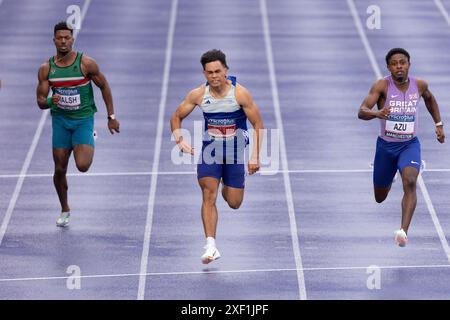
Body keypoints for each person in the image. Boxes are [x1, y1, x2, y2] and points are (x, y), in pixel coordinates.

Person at [170, 49, 264, 263]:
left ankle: (225, 182)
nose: (214, 76)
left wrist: (255, 156)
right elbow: (176, 116)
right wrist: (179, 139)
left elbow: (258, 124)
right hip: (210, 151)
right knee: (208, 195)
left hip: (234, 151)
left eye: (217, 71)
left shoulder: (240, 94)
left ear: (226, 71)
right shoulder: (198, 95)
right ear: (204, 74)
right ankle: (211, 246)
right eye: (209, 72)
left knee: (234, 202)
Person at [358, 48, 445, 247]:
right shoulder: (382, 86)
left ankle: (403, 231)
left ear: (408, 64)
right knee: (380, 197)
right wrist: (377, 113)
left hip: (409, 145)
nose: (399, 66)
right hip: (386, 147)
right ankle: (390, 175)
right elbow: (361, 111)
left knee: (411, 181)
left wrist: (438, 125)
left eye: (402, 62)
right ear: (389, 67)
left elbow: (430, 100)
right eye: (395, 63)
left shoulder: (420, 85)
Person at [36, 22, 120, 227]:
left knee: (82, 166)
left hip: (83, 120)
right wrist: (50, 102)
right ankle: (65, 209)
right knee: (59, 169)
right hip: (60, 122)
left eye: (67, 37)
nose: (63, 41)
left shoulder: (86, 64)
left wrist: (111, 117)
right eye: (59, 38)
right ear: (54, 40)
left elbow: (104, 86)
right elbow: (40, 101)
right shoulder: (47, 69)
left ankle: (88, 137)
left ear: (72, 39)